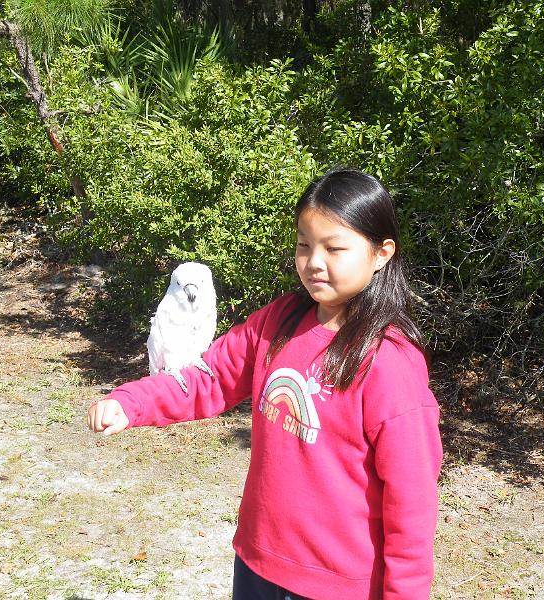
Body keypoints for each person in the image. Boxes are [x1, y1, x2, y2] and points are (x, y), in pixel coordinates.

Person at [87, 168, 443, 600]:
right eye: (304, 245)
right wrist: (133, 401)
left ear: (381, 253)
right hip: (258, 564)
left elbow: (411, 505)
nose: (314, 262)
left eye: (335, 248)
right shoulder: (279, 322)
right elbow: (210, 377)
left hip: (337, 586)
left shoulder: (390, 363)